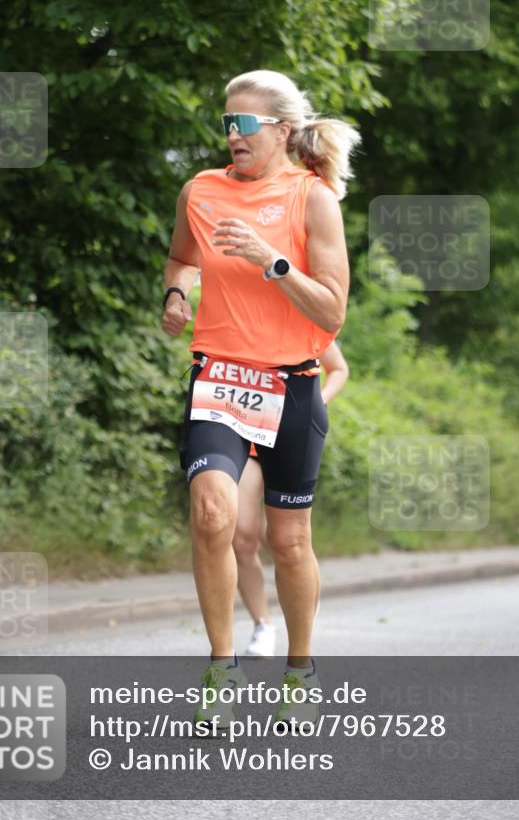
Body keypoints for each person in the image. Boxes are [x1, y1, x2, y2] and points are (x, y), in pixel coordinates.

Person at [161, 69, 359, 728]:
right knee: (212, 514)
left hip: (291, 383)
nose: (230, 135)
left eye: (241, 124)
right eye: (224, 123)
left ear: (278, 130)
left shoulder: (312, 200)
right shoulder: (200, 190)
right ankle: (221, 665)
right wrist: (176, 293)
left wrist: (271, 261)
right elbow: (182, 258)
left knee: (288, 543)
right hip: (219, 376)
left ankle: (299, 669)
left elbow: (331, 312)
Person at [236, 341, 349, 658]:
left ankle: (301, 620)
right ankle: (263, 626)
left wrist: (318, 399)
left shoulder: (300, 311)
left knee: (286, 541)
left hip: (286, 430)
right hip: (242, 432)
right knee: (241, 535)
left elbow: (339, 368)